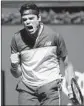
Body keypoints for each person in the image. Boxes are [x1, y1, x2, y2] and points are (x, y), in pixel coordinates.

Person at [10, 2, 76, 105]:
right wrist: (14, 66)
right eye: (24, 19)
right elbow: (16, 74)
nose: (28, 22)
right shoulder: (16, 39)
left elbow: (67, 65)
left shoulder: (54, 36)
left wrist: (70, 88)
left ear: (39, 18)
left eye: (31, 18)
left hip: (50, 88)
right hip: (27, 89)